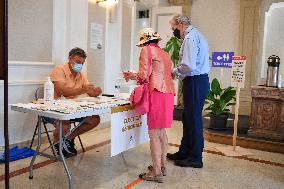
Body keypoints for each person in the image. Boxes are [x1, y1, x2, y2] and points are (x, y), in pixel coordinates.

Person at [123, 28, 175, 183]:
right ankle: (162, 166)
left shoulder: (147, 50)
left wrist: (131, 75)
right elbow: (168, 73)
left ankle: (156, 172)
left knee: (153, 134)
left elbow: (144, 76)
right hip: (168, 93)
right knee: (161, 132)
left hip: (157, 92)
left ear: (144, 40)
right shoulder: (165, 53)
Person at [167, 15, 210, 168]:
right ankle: (185, 151)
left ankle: (195, 157)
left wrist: (174, 72)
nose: (174, 32)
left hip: (195, 82)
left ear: (180, 24)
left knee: (193, 119)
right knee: (188, 118)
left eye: (173, 28)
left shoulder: (190, 38)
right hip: (197, 81)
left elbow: (189, 66)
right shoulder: (197, 35)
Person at [47, 47, 102, 157]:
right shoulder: (59, 70)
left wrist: (96, 92)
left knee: (94, 119)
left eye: (82, 63)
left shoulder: (81, 74)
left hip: (73, 109)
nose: (80, 65)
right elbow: (62, 91)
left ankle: (68, 139)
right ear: (70, 59)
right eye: (77, 62)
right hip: (54, 109)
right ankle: (58, 143)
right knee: (65, 124)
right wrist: (84, 89)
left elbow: (88, 90)